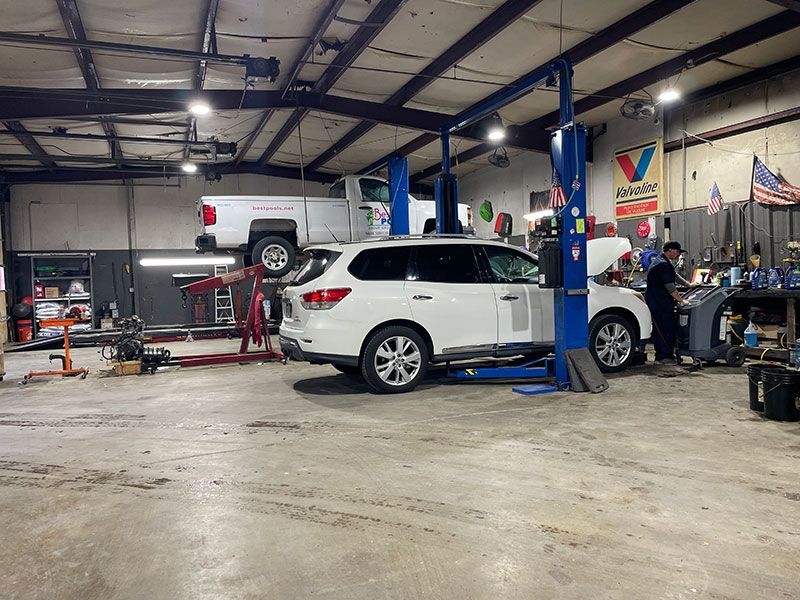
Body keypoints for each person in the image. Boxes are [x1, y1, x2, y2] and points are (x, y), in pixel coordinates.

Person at [646, 241, 689, 364]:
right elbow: (670, 286)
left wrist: (688, 284)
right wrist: (681, 300)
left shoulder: (663, 262)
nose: (678, 254)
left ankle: (666, 355)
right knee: (663, 330)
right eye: (677, 251)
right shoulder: (662, 265)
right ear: (670, 250)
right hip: (659, 304)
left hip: (662, 303)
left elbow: (674, 276)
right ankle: (663, 357)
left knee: (667, 328)